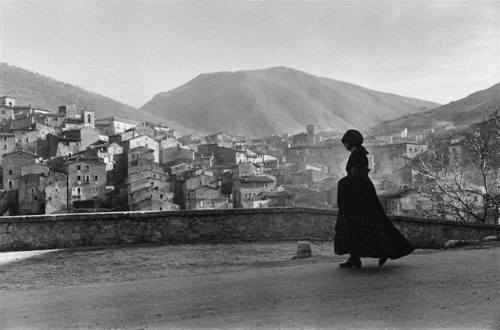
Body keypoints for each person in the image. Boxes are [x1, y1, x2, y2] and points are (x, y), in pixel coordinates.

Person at [334, 129, 414, 269]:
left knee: (360, 225)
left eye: (345, 143)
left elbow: (357, 175)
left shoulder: (357, 155)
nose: (344, 146)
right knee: (365, 225)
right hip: (362, 193)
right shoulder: (360, 153)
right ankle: (356, 257)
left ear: (349, 142)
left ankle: (374, 253)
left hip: (359, 196)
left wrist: (344, 183)